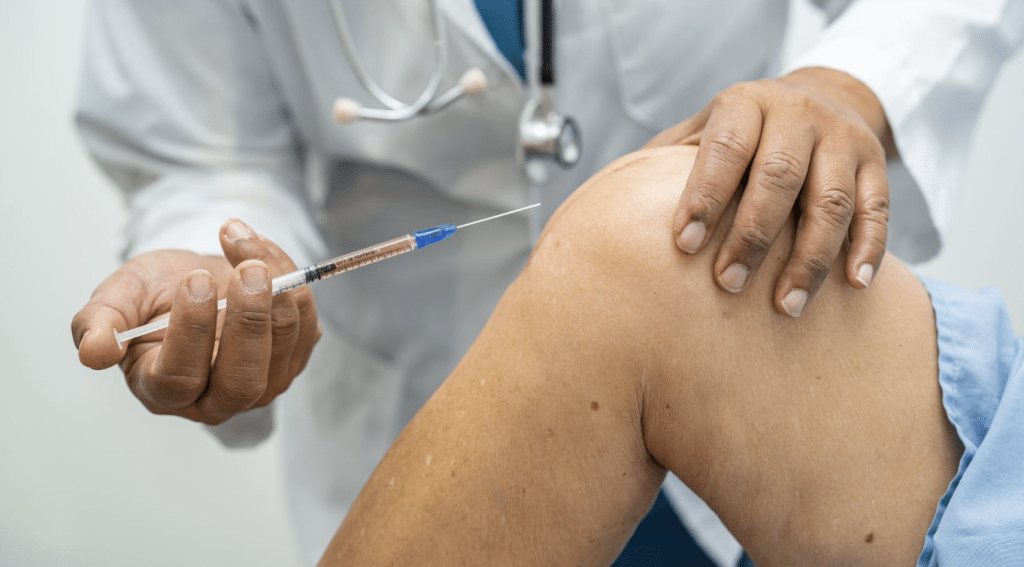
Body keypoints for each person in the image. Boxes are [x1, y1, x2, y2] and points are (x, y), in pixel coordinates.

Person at [71, 1, 1024, 564]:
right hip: (427, 388)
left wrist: (844, 87)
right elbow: (196, 142)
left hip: (748, 325)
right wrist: (221, 267)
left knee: (641, 246)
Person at [318, 144, 1023, 566]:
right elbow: (216, 150)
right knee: (647, 244)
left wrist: (846, 85)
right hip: (395, 344)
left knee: (650, 240)